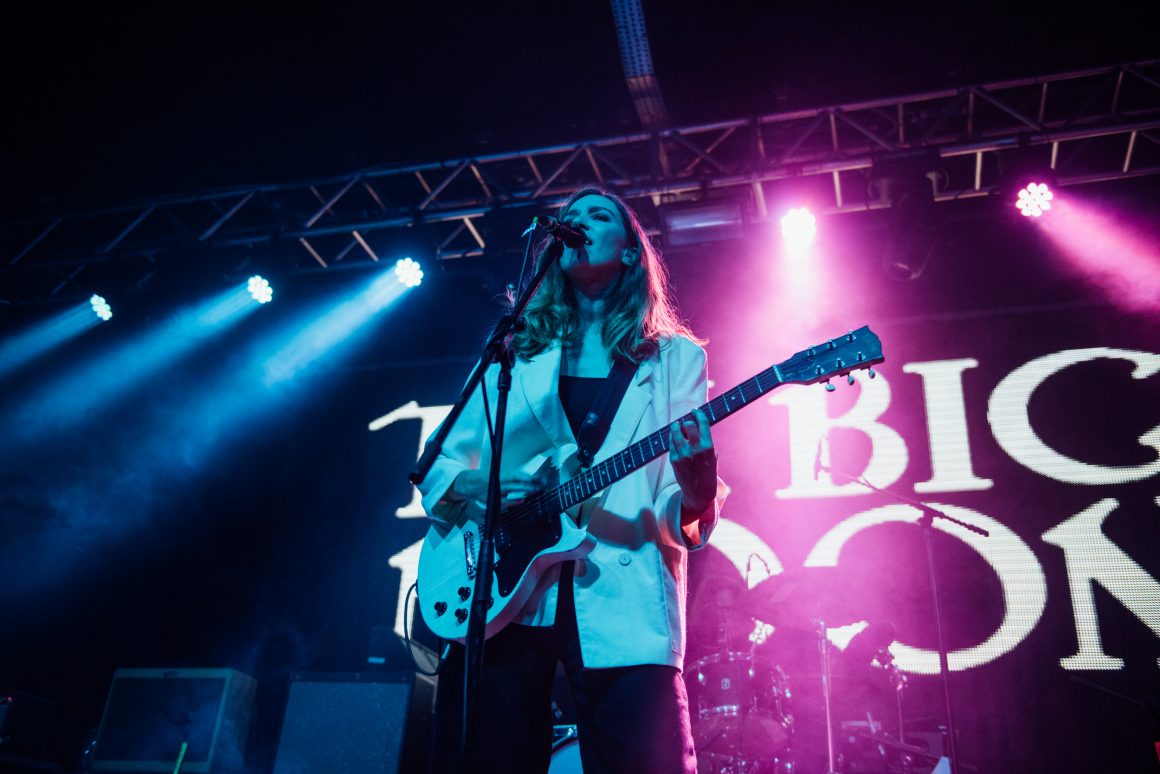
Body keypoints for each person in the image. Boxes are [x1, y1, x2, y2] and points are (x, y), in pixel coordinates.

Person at [418, 186, 722, 773]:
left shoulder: (675, 360)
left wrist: (698, 487)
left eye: (597, 215)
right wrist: (478, 490)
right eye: (569, 215)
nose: (577, 221)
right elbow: (439, 464)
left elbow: (673, 502)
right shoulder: (514, 352)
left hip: (623, 592)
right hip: (505, 589)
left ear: (631, 252)